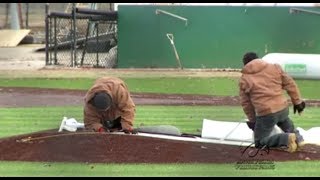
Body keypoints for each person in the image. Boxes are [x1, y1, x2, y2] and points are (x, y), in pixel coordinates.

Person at [239, 52, 306, 153]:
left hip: (266, 113)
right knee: (284, 121)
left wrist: (253, 121)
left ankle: (286, 139)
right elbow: (290, 84)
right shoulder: (275, 67)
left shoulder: (244, 79)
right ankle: (298, 139)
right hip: (282, 107)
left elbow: (246, 104)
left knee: (259, 142)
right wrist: (297, 102)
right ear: (258, 59)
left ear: (245, 64)